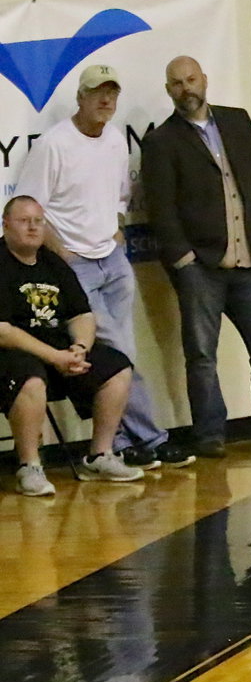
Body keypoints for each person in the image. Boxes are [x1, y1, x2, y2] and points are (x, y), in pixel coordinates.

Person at [16, 64, 194, 472]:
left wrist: (116, 230)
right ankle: (150, 437)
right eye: (97, 93)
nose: (106, 100)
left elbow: (118, 194)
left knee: (118, 351)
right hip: (75, 264)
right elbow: (30, 206)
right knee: (120, 352)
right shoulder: (54, 145)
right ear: (81, 97)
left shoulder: (114, 140)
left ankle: (124, 441)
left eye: (112, 93)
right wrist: (61, 254)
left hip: (112, 260)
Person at [139, 56, 251, 458]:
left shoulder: (236, 121)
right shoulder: (161, 142)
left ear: (204, 79)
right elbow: (161, 209)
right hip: (200, 267)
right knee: (202, 357)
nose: (186, 88)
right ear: (169, 91)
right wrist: (182, 260)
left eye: (190, 80)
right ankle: (209, 436)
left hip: (249, 263)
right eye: (177, 84)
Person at [0, 196, 145, 496]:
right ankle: (29, 465)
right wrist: (55, 357)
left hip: (59, 354)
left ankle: (100, 455)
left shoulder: (53, 262)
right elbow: (3, 332)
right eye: (24, 221)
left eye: (38, 221)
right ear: (5, 224)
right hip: (13, 355)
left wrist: (79, 347)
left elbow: (82, 314)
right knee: (30, 377)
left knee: (117, 367)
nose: (32, 228)